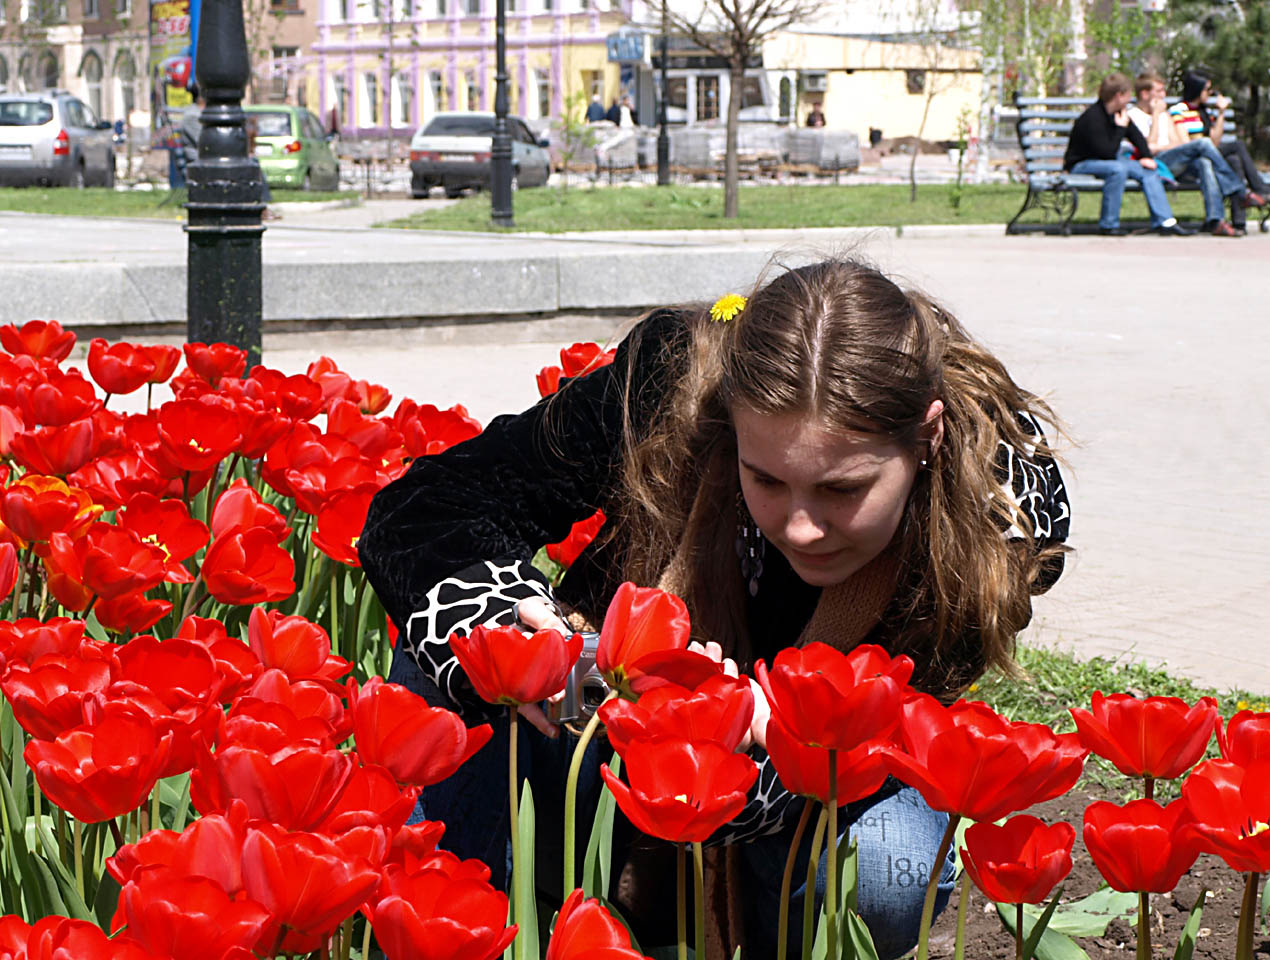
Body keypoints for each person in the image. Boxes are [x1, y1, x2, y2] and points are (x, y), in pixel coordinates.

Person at [359, 258, 1071, 959]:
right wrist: (525, 628)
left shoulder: (990, 524)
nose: (799, 526)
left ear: (928, 436)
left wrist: (775, 746)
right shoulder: (670, 385)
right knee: (464, 643)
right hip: (596, 720)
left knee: (884, 867)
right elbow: (423, 511)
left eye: (841, 489)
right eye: (766, 478)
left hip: (813, 791)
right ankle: (477, 918)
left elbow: (873, 736)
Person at [1128, 73, 1267, 237]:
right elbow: (1147, 149)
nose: (1164, 95)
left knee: (1204, 162)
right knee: (1203, 144)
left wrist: (1162, 143)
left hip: (1176, 161)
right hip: (1155, 164)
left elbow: (1180, 143)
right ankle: (1240, 191)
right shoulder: (1135, 115)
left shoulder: (1166, 115)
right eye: (1159, 91)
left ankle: (1215, 221)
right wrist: (1157, 116)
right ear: (1144, 94)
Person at [1064, 72, 1191, 236]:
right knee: (1118, 169)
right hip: (1082, 164)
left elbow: (1136, 137)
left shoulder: (1119, 113)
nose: (1130, 99)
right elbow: (1107, 152)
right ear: (1119, 96)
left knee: (1148, 170)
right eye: (1128, 94)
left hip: (1108, 161)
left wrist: (1146, 157)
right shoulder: (1093, 118)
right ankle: (1108, 225)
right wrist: (1120, 129)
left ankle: (1165, 222)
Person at [1169, 71, 1270, 234]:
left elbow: (1214, 142)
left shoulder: (1205, 112)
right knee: (1238, 145)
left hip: (1208, 156)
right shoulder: (1179, 110)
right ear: (1197, 89)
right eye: (1207, 89)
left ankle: (1239, 222)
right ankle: (1256, 189)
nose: (1210, 93)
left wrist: (1221, 113)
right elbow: (1187, 145)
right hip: (1191, 161)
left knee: (1235, 159)